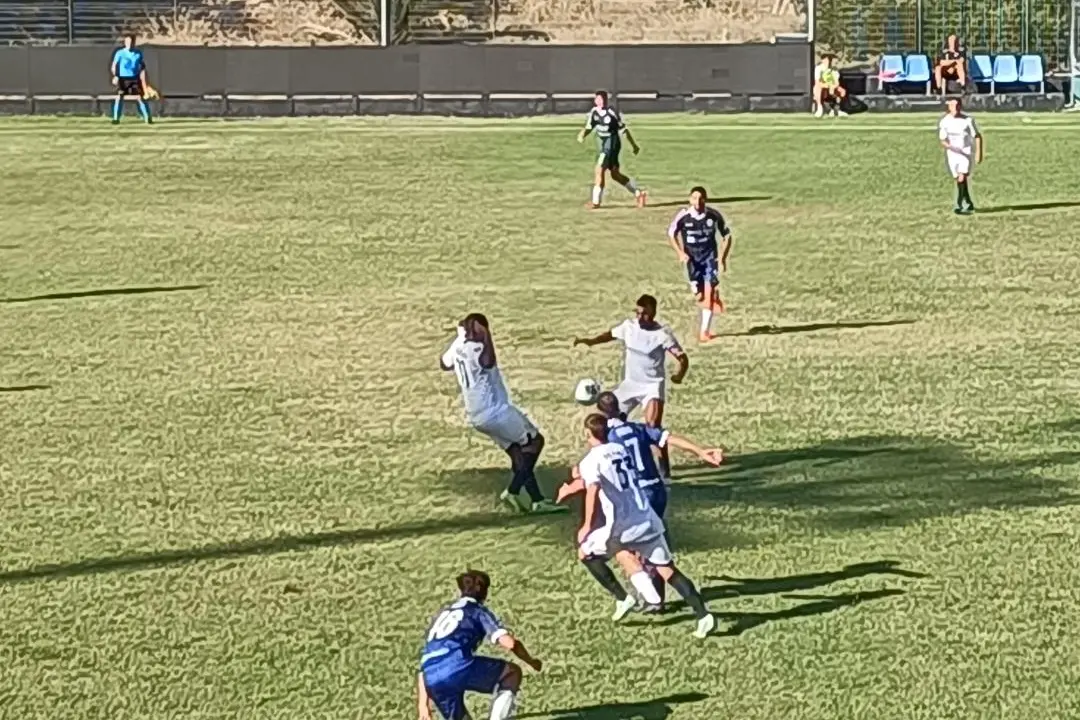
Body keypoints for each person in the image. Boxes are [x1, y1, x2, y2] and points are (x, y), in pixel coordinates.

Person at [557, 391, 724, 608]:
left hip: (637, 495)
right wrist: (700, 452)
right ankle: (658, 596)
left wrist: (571, 487)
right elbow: (667, 438)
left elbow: (600, 477)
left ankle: (652, 599)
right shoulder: (637, 429)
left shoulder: (610, 441)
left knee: (633, 543)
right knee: (649, 543)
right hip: (657, 489)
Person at [572, 414, 716, 638]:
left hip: (621, 526)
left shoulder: (590, 461)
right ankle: (703, 615)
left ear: (586, 433)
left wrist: (586, 525)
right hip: (647, 519)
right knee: (668, 569)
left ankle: (623, 598)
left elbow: (592, 491)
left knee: (586, 553)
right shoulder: (619, 449)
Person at [441, 314, 564, 514]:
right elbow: (488, 362)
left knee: (518, 453)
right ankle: (513, 491)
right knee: (535, 442)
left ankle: (537, 500)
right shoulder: (478, 347)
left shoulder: (459, 348)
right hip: (496, 411)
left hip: (476, 416)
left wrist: (459, 338)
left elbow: (444, 364)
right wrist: (487, 336)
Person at [573, 294, 688, 482]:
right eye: (638, 313)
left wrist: (678, 375)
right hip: (630, 384)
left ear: (653, 312)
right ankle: (610, 463)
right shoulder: (629, 327)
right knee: (605, 423)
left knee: (653, 428)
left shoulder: (662, 335)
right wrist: (591, 341)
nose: (640, 317)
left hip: (652, 385)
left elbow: (682, 358)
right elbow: (609, 335)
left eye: (645, 314)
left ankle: (664, 472)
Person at [418, 570, 542, 720]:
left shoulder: (442, 615)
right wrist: (531, 661)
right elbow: (509, 643)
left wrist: (423, 705)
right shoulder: (476, 611)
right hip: (458, 665)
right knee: (512, 673)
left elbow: (425, 663)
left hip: (432, 679)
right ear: (484, 592)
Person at [667, 187, 733, 343]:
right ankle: (709, 295)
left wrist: (722, 258)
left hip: (710, 259)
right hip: (692, 261)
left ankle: (705, 331)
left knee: (707, 297)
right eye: (695, 198)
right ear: (690, 200)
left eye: (701, 198)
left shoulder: (713, 215)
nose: (698, 201)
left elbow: (727, 236)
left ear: (705, 199)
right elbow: (671, 234)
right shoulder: (684, 216)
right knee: (699, 295)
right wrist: (680, 253)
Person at [577, 90, 647, 209]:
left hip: (612, 145)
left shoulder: (611, 113)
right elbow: (589, 127)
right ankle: (639, 193)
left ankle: (595, 202)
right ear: (595, 101)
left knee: (599, 170)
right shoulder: (594, 113)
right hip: (604, 145)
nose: (602, 102)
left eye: (604, 99)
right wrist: (582, 134)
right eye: (599, 99)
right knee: (615, 175)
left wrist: (634, 145)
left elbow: (624, 130)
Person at [938, 97, 982, 214]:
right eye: (952, 106)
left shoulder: (967, 120)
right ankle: (968, 202)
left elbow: (977, 136)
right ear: (949, 107)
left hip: (965, 153)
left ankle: (959, 204)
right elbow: (943, 140)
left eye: (957, 105)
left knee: (962, 177)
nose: (955, 108)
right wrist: (950, 147)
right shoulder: (944, 121)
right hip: (952, 154)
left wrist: (978, 153)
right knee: (959, 179)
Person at [109, 33, 156, 125]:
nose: (129, 44)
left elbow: (142, 68)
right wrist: (116, 76)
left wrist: (145, 83)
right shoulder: (120, 53)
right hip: (122, 79)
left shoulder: (138, 53)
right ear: (125, 42)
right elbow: (114, 66)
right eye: (127, 42)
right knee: (119, 97)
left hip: (134, 78)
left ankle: (148, 118)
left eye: (131, 42)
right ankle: (115, 119)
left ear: (133, 43)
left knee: (140, 98)